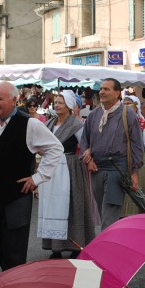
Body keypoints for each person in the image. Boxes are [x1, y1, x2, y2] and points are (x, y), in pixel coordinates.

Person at [0, 81, 64, 270]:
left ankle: (14, 285)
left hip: (17, 198)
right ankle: (4, 282)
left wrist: (37, 178)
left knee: (15, 253)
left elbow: (55, 148)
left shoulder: (30, 124)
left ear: (14, 100)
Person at [81, 78, 145, 230]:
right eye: (101, 89)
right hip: (97, 169)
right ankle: (113, 242)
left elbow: (137, 145)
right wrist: (88, 159)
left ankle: (106, 245)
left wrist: (135, 172)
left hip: (117, 169)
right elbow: (84, 140)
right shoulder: (94, 114)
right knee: (103, 213)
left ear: (117, 93)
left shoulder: (128, 114)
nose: (102, 92)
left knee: (109, 216)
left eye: (106, 89)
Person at [41, 90, 95, 258]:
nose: (56, 105)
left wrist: (89, 156)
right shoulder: (49, 124)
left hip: (70, 167)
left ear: (69, 106)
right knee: (53, 207)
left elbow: (86, 144)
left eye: (60, 103)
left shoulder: (76, 125)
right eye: (56, 102)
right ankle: (55, 247)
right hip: (52, 167)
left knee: (72, 206)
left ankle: (75, 246)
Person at [121, 95, 145, 217]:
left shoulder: (143, 125)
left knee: (137, 193)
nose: (126, 107)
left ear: (136, 108)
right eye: (124, 104)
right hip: (123, 162)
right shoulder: (119, 123)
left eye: (129, 104)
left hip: (141, 164)